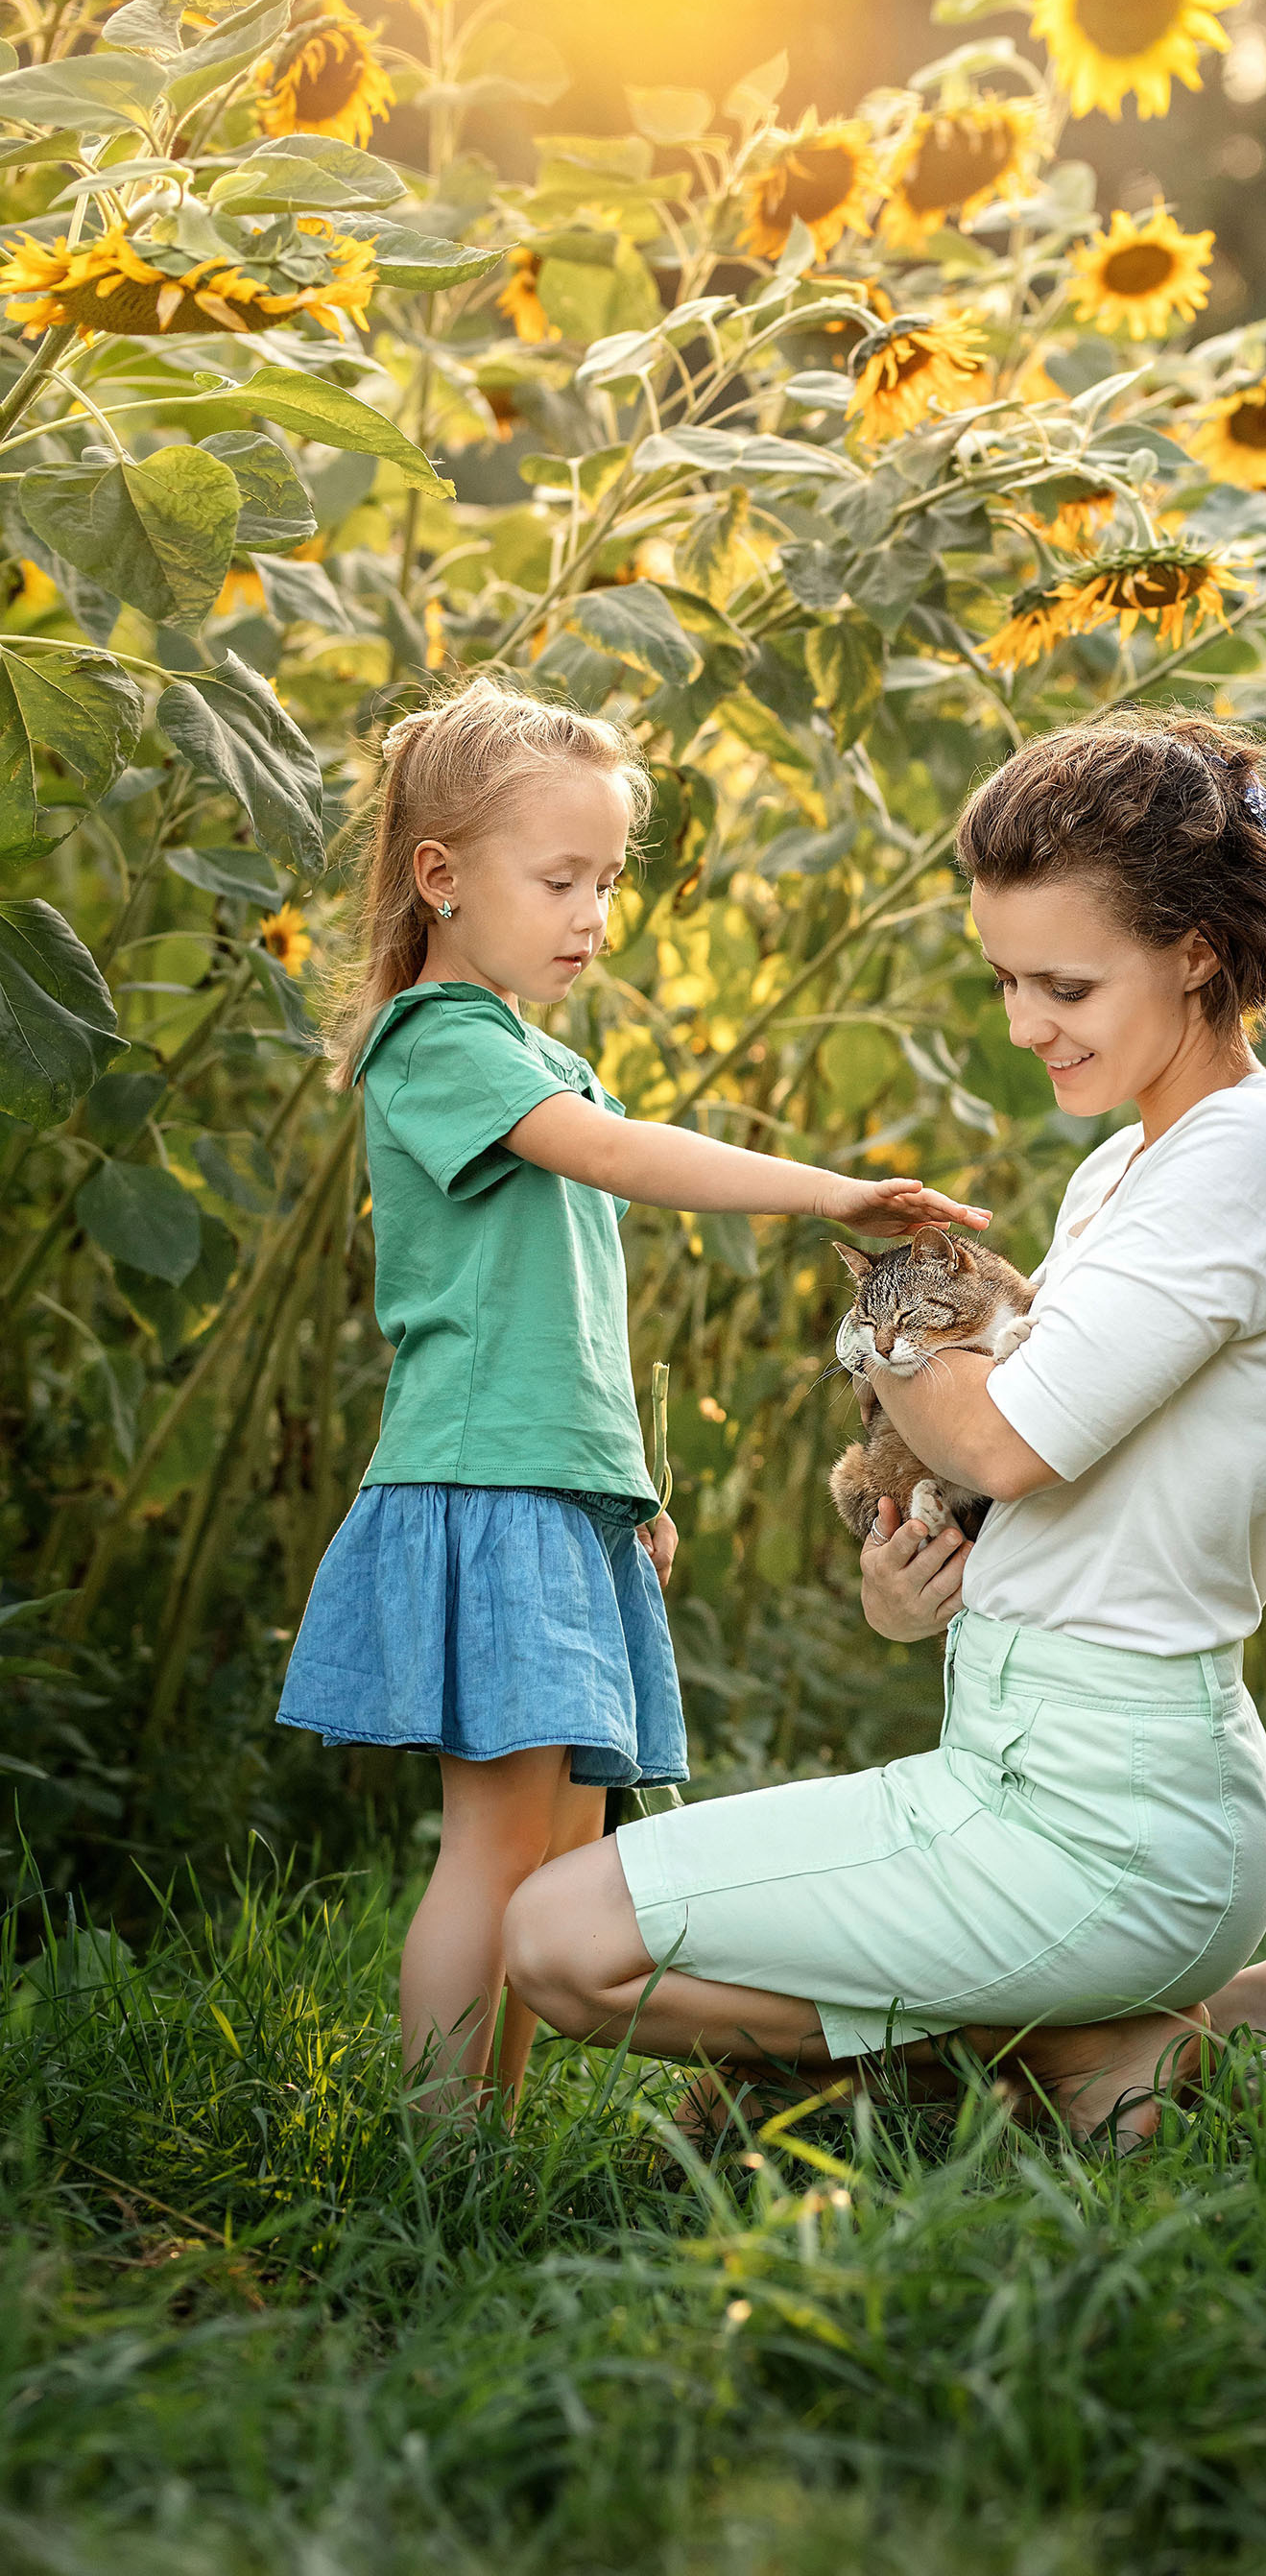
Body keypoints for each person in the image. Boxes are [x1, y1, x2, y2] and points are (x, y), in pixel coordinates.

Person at [504, 712, 1266, 2144]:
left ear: (1198, 951)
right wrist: (915, 1594)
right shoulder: (1122, 1172)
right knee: (569, 1938)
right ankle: (1124, 2046)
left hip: (1120, 1822)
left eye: (1067, 984)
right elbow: (1015, 1482)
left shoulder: (1253, 1159)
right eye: (1008, 979)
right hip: (1007, 1768)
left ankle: (1048, 2052)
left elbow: (1001, 1443)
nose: (1026, 1025)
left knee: (562, 1943)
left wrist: (869, 1317)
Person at [275, 676, 990, 2109]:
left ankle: (488, 2139)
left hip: (559, 1488)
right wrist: (828, 1191)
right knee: (493, 1847)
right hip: (485, 1479)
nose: (593, 913)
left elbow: (574, 1316)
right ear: (441, 879)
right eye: (559, 879)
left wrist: (634, 1491)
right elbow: (626, 1163)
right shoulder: (437, 1045)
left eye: (606, 880)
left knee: (558, 1853)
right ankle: (438, 2149)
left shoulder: (541, 1054)